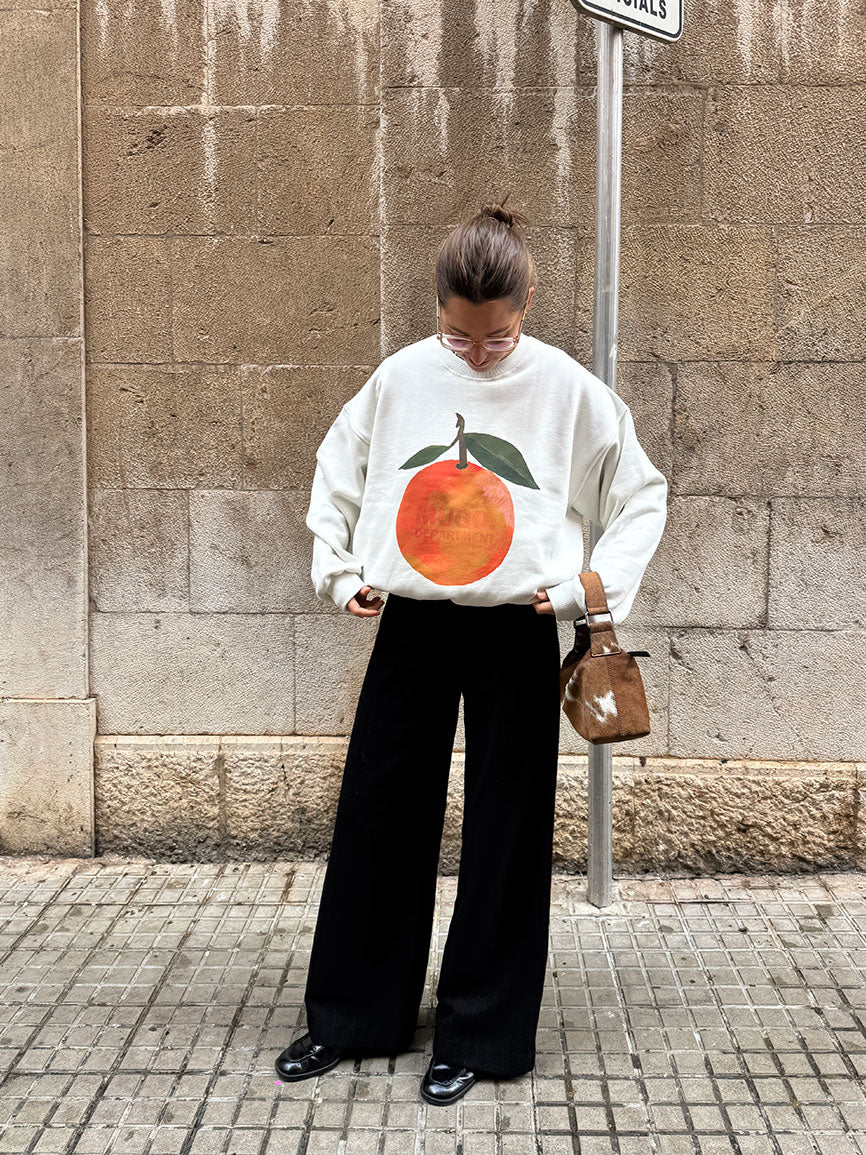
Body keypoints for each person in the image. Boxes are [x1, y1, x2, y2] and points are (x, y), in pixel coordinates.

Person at [274, 201, 668, 1106]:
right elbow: (340, 464)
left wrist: (583, 591)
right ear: (439, 308)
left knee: (507, 826)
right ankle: (350, 1015)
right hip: (411, 617)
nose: (479, 353)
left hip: (515, 625)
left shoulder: (567, 387)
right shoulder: (404, 374)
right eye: (461, 336)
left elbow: (640, 493)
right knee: (378, 809)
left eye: (497, 337)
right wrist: (339, 572)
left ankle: (482, 1034)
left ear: (526, 301)